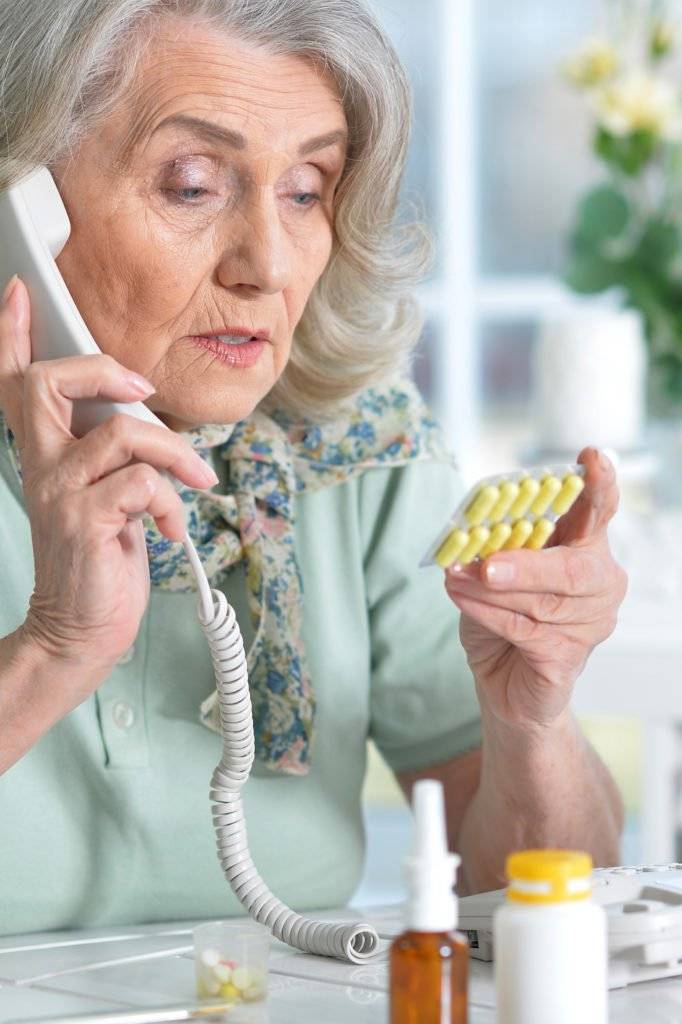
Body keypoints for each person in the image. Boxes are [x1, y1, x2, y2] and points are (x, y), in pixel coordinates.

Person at [0, 0, 626, 936]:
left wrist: (530, 722)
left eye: (305, 189)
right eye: (192, 182)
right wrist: (52, 649)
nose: (269, 264)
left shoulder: (356, 447)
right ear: (24, 209)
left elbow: (541, 909)